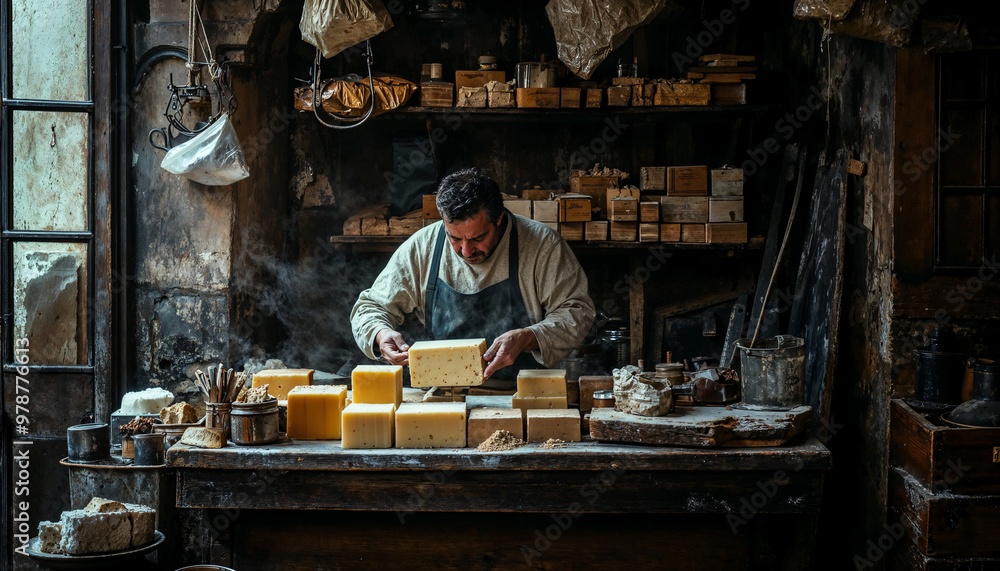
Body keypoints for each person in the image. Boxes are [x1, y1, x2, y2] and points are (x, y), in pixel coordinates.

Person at [351, 168, 595, 386]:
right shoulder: (422, 247)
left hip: (519, 392)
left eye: (478, 238)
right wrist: (380, 334)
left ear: (498, 218)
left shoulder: (542, 245)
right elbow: (370, 307)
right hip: (444, 394)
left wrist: (529, 337)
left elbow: (577, 311)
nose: (466, 251)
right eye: (455, 238)